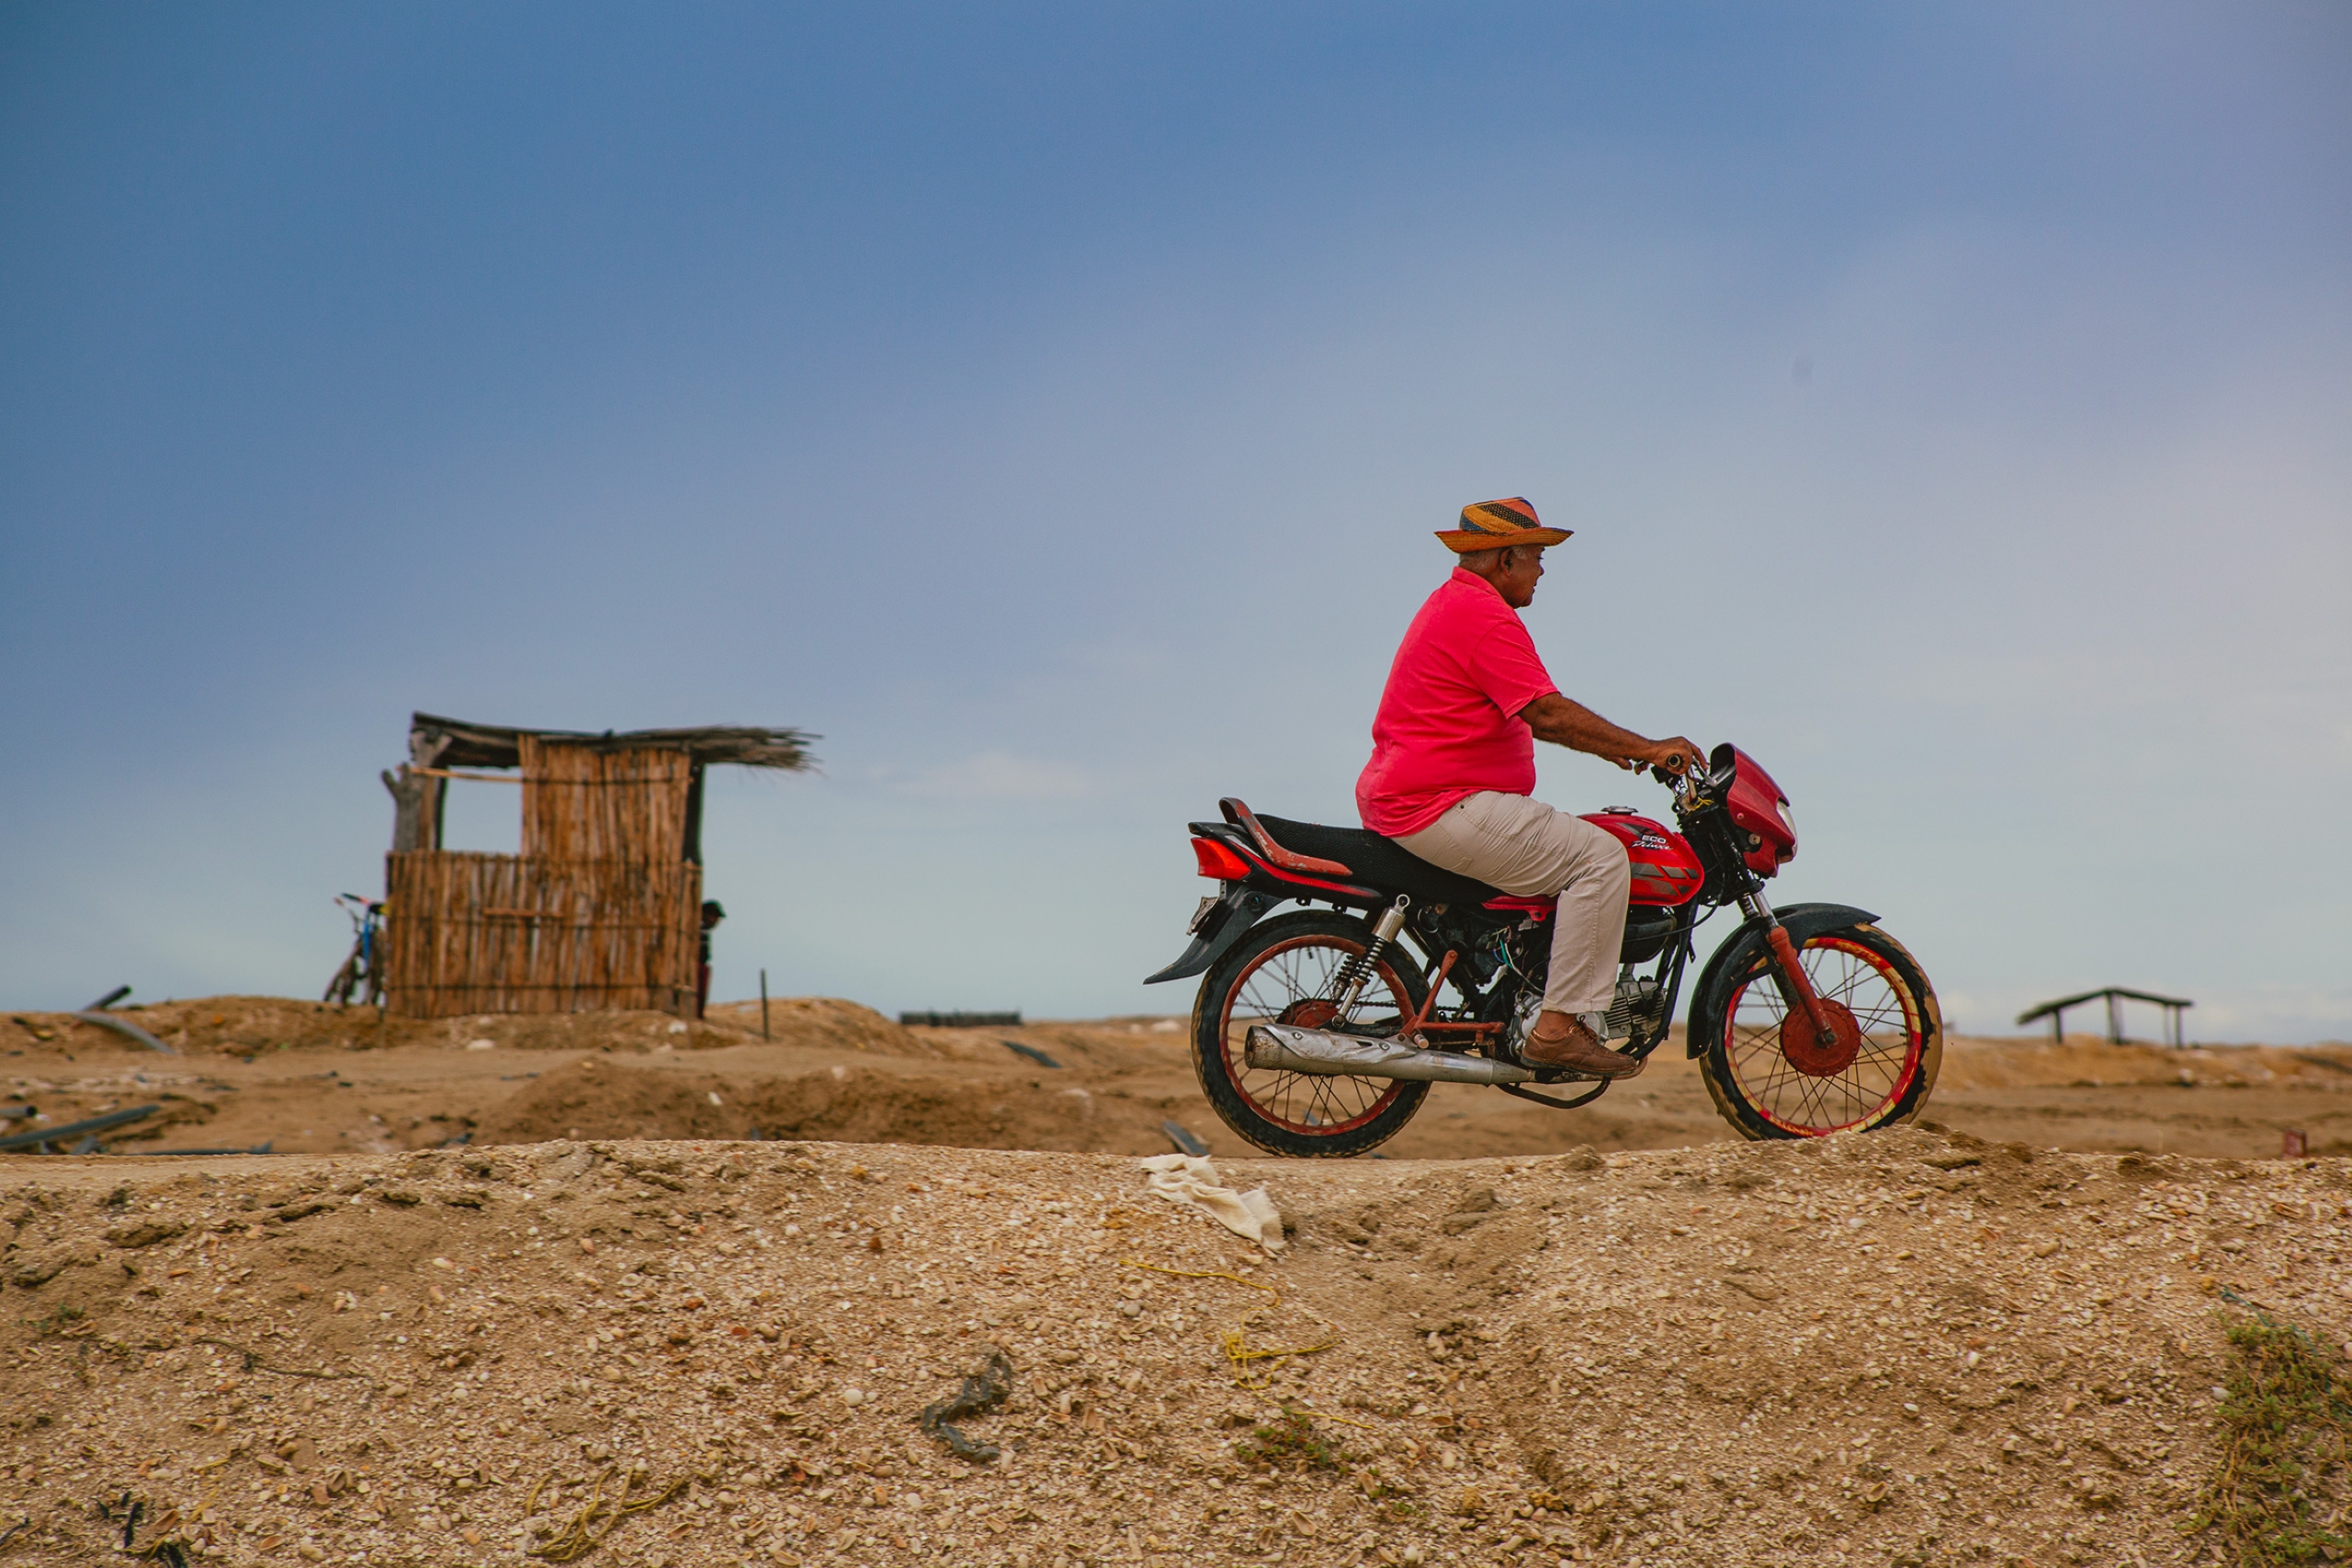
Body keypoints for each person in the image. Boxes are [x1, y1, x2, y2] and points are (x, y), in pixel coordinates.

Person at [1356, 497, 1699, 1077]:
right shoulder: (1482, 615)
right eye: (1537, 556)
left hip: (1424, 798)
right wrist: (1645, 747)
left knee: (1573, 850)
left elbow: (1536, 715)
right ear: (1505, 558)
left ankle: (1530, 993)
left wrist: (1617, 747)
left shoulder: (1454, 604)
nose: (1542, 570)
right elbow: (1547, 713)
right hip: (1437, 804)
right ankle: (1557, 1029)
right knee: (1600, 858)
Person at [697, 899, 725, 1019]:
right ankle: (698, 1013)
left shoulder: (703, 928)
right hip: (697, 966)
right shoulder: (700, 927)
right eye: (715, 917)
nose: (716, 921)